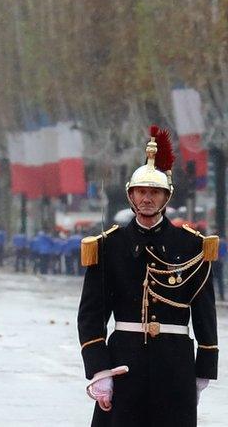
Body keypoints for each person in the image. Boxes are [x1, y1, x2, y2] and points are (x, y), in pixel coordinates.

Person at [77, 126, 218, 426]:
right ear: (130, 195)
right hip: (124, 364)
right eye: (141, 192)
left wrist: (204, 368)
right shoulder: (109, 246)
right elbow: (91, 315)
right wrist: (99, 370)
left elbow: (205, 311)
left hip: (175, 364)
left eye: (154, 192)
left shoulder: (192, 245)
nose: (147, 199)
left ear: (166, 196)